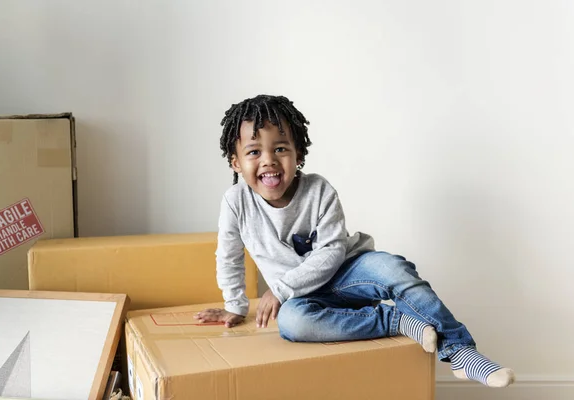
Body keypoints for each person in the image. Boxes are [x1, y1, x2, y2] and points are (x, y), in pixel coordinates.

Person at [194, 94, 515, 388]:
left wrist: (279, 289)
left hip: (347, 272)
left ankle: (459, 350)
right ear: (236, 163)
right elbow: (229, 256)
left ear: (299, 154)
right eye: (254, 152)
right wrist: (235, 305)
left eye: (280, 148)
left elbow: (332, 251)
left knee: (393, 268)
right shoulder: (236, 202)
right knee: (292, 324)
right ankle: (398, 322)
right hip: (302, 297)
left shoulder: (318, 190)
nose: (268, 160)